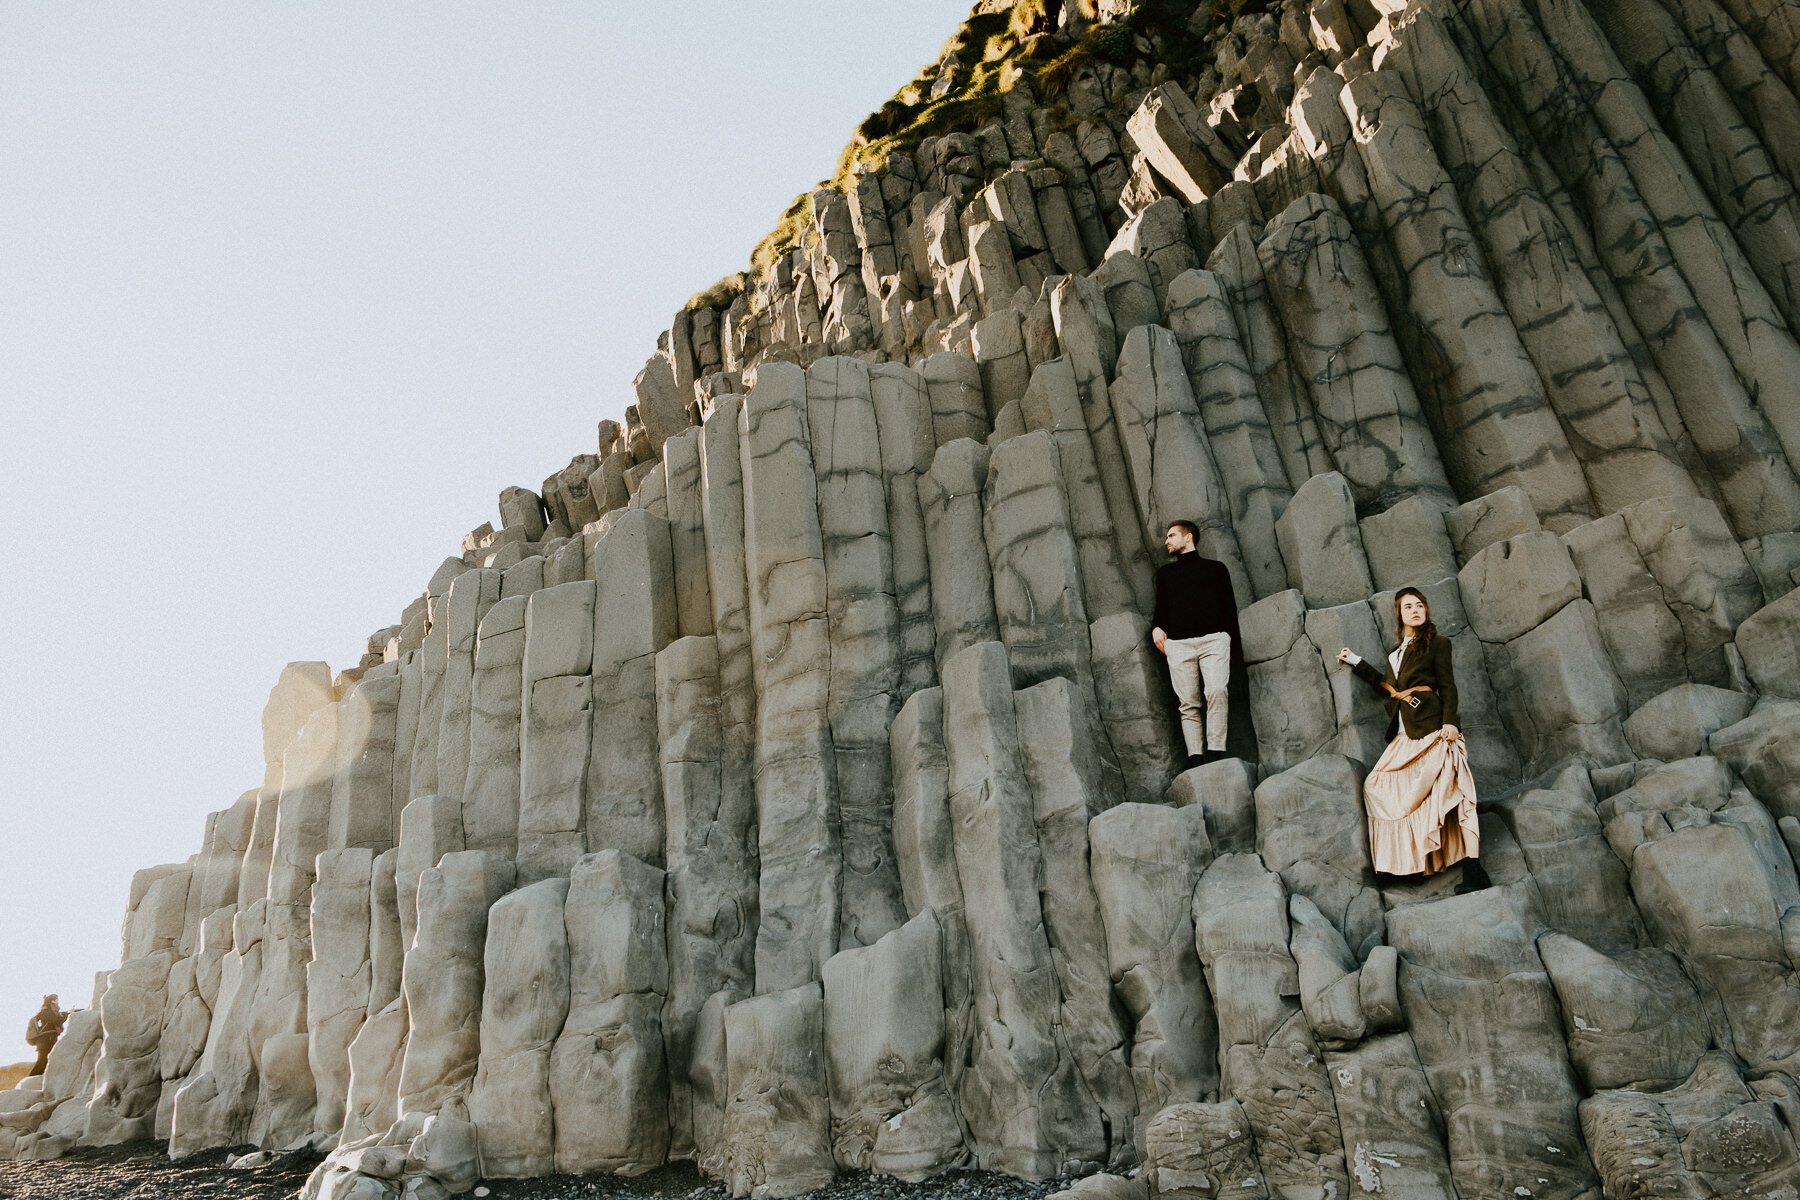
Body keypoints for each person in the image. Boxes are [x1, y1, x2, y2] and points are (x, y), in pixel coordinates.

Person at [1335, 587, 1489, 892]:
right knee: (1376, 786)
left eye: (1420, 605)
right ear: (1399, 614)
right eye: (1408, 607)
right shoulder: (1395, 654)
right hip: (1405, 734)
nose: (1415, 610)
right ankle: (1409, 865)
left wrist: (1450, 723)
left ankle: (1475, 872)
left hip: (1433, 729)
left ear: (1426, 611)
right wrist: (1356, 661)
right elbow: (1388, 688)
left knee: (1453, 795)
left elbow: (1448, 685)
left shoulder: (1437, 644)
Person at [1151, 519, 1241, 768]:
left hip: (1214, 641)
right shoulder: (1165, 574)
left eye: (1171, 536)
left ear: (1188, 537)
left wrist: (1228, 636)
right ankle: (1196, 760)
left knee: (1216, 691)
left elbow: (1229, 606)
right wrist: (1156, 627)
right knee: (1188, 704)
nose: (1166, 541)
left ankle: (1216, 753)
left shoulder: (1216, 569)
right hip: (1178, 645)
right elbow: (1162, 607)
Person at [25, 995, 65, 1078]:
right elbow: (55, 1020)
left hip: (50, 1038)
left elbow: (59, 1017)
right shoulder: (46, 1010)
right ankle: (29, 1079)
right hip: (44, 1039)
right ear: (53, 1001)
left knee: (47, 1061)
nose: (58, 1001)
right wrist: (68, 1014)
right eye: (57, 999)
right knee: (42, 1060)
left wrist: (70, 1013)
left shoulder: (53, 1011)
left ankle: (37, 1078)